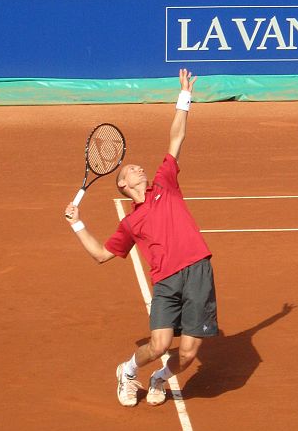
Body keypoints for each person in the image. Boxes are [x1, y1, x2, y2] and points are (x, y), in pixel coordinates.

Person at [64, 69, 214, 408]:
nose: (139, 168)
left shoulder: (165, 184)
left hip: (198, 271)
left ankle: (160, 378)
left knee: (188, 353)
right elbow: (101, 255)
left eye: (138, 166)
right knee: (159, 345)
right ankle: (128, 371)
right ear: (121, 184)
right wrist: (77, 224)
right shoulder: (131, 223)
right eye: (130, 168)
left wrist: (184, 99)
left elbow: (176, 139)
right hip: (166, 281)